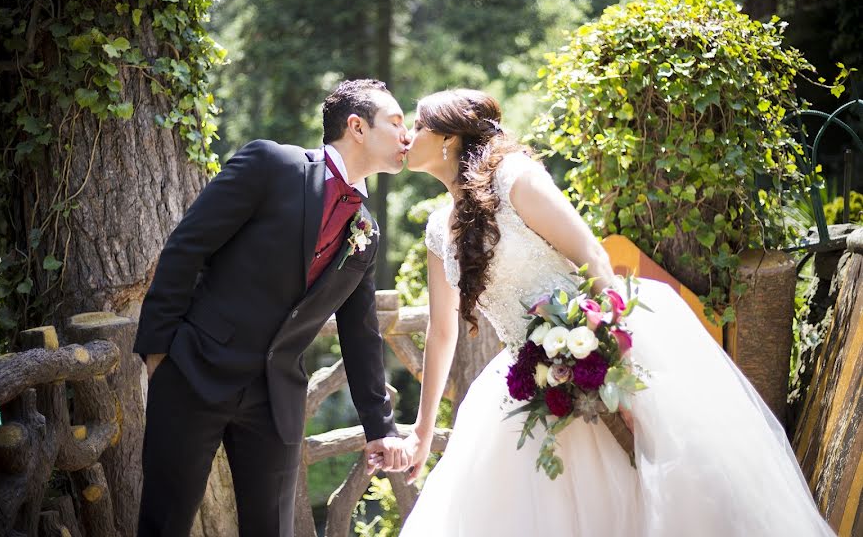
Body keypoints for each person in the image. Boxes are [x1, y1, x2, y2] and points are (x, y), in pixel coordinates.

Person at [398, 89, 834, 536]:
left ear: (448, 137)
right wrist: (423, 430)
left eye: (416, 127)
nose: (407, 138)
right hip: (529, 379)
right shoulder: (437, 230)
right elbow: (441, 333)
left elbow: (592, 255)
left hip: (598, 343)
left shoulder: (515, 178)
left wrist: (617, 360)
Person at [133, 79, 411, 537]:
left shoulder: (367, 231)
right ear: (357, 127)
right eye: (397, 122)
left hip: (275, 397)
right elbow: (186, 248)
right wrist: (158, 353)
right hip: (193, 371)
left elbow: (360, 333)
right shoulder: (271, 165)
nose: (408, 135)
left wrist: (379, 426)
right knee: (164, 523)